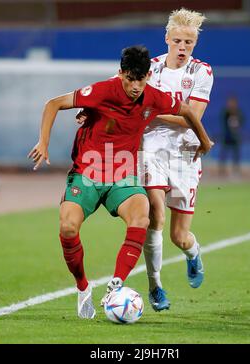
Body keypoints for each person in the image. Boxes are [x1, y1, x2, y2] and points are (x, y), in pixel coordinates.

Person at [28, 45, 213, 319]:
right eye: (130, 79)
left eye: (141, 79)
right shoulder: (102, 91)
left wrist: (204, 140)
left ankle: (116, 284)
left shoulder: (153, 96)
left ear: (148, 76)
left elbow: (186, 110)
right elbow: (53, 104)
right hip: (88, 173)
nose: (135, 86)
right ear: (120, 74)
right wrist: (43, 142)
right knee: (67, 228)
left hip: (123, 175)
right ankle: (82, 288)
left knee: (142, 217)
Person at [77, 9, 214, 312]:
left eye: (188, 42)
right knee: (155, 216)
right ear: (167, 39)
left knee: (179, 235)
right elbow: (114, 92)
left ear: (195, 44)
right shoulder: (147, 69)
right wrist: (90, 110)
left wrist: (145, 109)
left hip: (185, 155)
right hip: (151, 148)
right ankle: (156, 286)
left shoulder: (202, 72)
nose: (182, 47)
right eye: (177, 40)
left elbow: (190, 117)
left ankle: (193, 254)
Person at [219, 96, 244, 176]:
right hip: (227, 136)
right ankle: (222, 171)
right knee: (224, 154)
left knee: (236, 155)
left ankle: (235, 171)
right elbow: (223, 122)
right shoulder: (226, 112)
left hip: (235, 137)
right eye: (230, 103)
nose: (231, 104)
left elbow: (242, 122)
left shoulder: (238, 112)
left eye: (233, 103)